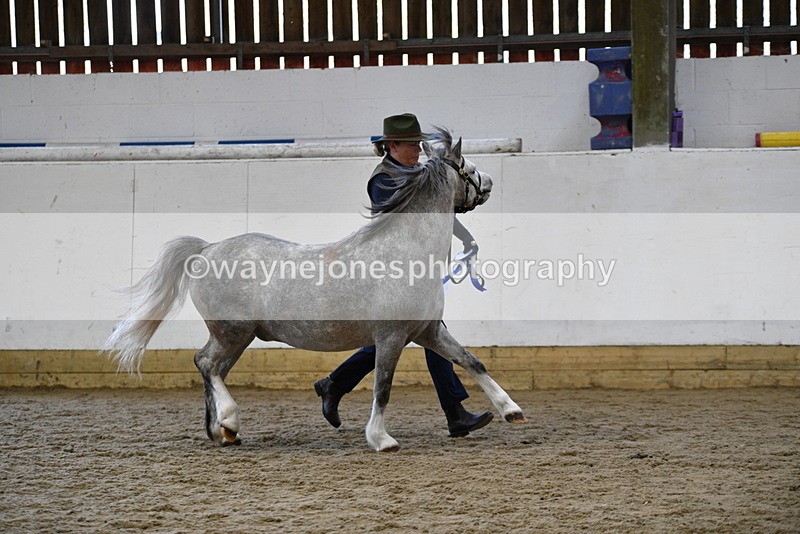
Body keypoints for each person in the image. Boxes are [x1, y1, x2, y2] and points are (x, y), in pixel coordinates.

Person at [314, 113, 493, 438]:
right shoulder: (381, 179)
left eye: (419, 143)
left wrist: (464, 236)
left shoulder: (417, 172)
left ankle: (334, 384)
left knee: (411, 335)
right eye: (412, 144)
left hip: (413, 273)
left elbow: (434, 212)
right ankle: (454, 413)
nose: (419, 149)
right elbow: (398, 222)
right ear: (392, 145)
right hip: (385, 272)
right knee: (416, 335)